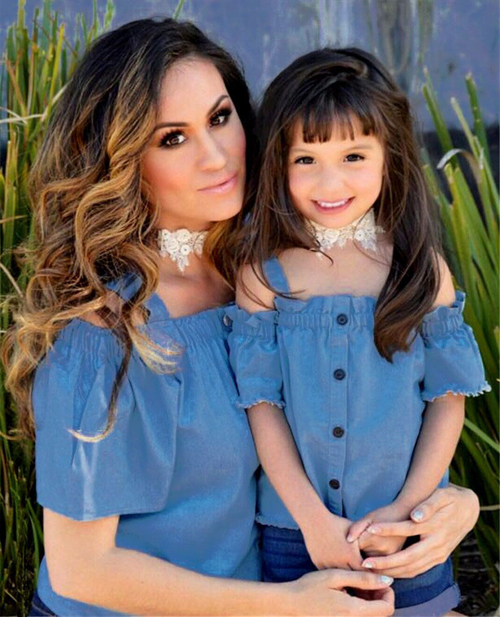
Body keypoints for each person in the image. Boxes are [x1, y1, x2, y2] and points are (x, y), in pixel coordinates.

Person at [0, 19, 478, 616]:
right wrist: (285, 606)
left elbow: (359, 430)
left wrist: (451, 506)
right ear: (119, 161)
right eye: (173, 138)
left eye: (220, 118)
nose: (217, 155)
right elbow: (81, 571)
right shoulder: (106, 333)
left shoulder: (270, 276)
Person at [227, 47, 490, 616]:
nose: (330, 181)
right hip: (294, 532)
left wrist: (406, 512)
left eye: (353, 156)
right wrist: (311, 521)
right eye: (306, 159)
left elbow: (447, 400)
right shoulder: (263, 278)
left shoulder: (419, 270)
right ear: (277, 162)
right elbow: (263, 409)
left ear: (389, 155)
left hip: (405, 535)